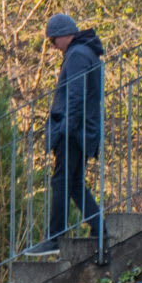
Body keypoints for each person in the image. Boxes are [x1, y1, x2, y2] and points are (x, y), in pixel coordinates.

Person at [38, 13, 104, 252]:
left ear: (65, 35)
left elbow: (76, 96)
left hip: (74, 132)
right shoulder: (84, 53)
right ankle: (100, 229)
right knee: (74, 183)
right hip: (81, 130)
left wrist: (65, 129)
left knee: (61, 181)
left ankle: (54, 237)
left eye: (54, 40)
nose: (53, 46)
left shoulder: (76, 55)